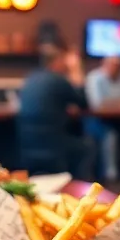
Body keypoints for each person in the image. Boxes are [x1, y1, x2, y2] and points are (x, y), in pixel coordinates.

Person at [18, 43, 93, 177]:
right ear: (57, 62)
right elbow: (84, 103)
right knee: (89, 146)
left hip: (28, 147)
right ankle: (80, 191)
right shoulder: (58, 80)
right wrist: (76, 71)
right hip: (55, 147)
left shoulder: (30, 79)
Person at [84, 56, 120, 182]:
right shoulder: (94, 77)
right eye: (113, 65)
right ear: (104, 64)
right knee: (110, 135)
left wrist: (112, 103)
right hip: (97, 121)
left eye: (119, 66)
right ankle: (110, 176)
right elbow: (97, 104)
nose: (116, 69)